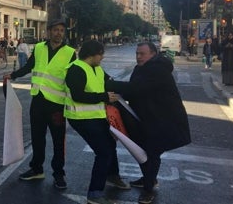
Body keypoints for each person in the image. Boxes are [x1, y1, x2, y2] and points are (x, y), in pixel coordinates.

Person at [106, 42, 191, 204]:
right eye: (137, 53)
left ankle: (148, 189)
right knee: (147, 150)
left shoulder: (157, 69)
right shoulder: (142, 68)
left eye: (142, 54)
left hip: (164, 119)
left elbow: (135, 89)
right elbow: (134, 92)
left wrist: (108, 84)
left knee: (152, 152)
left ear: (153, 54)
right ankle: (148, 179)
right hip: (150, 117)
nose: (138, 57)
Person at [2, 19, 76, 189]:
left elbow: (73, 77)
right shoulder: (40, 48)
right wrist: (13, 75)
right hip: (38, 100)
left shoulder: (70, 52)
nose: (58, 33)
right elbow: (29, 66)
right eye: (55, 30)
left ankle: (58, 174)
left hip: (57, 104)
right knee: (37, 138)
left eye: (61, 30)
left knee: (58, 141)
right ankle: (37, 169)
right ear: (49, 32)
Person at [64, 40, 130, 204]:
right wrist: (104, 97)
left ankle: (112, 176)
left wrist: (136, 88)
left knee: (110, 145)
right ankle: (94, 194)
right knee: (104, 151)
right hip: (80, 118)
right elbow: (78, 96)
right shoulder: (75, 69)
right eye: (101, 54)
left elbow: (110, 83)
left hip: (97, 116)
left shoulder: (97, 68)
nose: (103, 57)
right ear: (92, 55)